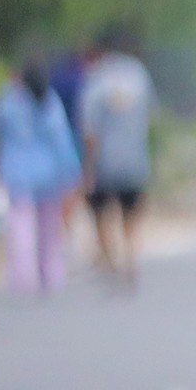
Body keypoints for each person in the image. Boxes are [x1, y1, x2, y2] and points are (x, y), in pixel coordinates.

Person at [0, 63, 81, 297]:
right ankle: (51, 273)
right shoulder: (50, 102)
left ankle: (23, 276)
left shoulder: (9, 101)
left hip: (17, 172)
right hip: (50, 172)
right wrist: (72, 172)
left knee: (21, 226)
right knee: (50, 227)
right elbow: (61, 140)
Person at [73, 35, 155, 289]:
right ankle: (130, 257)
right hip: (135, 159)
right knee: (130, 213)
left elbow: (89, 130)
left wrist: (88, 166)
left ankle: (109, 260)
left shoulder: (97, 79)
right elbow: (149, 117)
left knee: (100, 213)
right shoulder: (139, 76)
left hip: (104, 162)